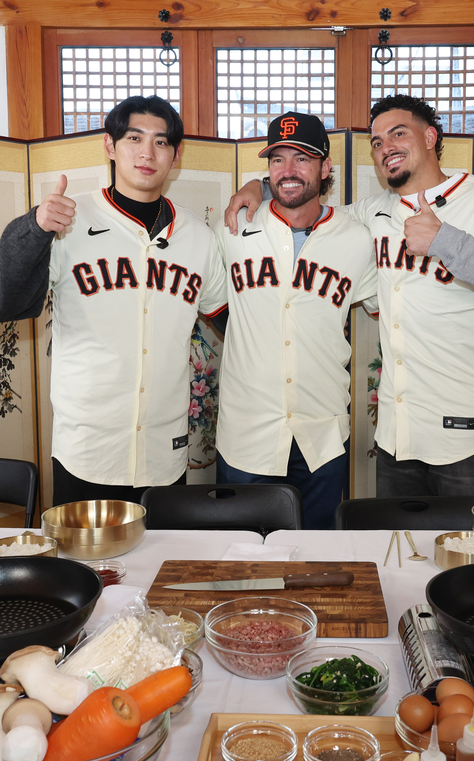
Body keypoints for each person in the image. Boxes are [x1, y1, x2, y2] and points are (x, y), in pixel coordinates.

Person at [225, 94, 474, 499]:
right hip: (397, 435)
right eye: (377, 142)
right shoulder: (371, 214)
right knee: (398, 555)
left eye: (399, 133)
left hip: (468, 435)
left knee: (468, 556)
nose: (386, 147)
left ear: (431, 136)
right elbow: (305, 205)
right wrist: (259, 186)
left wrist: (445, 240)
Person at [0, 95, 225, 506]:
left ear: (176, 155)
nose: (147, 152)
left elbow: (232, 317)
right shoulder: (65, 221)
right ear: (110, 147)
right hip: (88, 451)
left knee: (162, 567)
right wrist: (33, 229)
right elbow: (2, 303)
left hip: (165, 452)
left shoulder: (198, 236)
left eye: (162, 142)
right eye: (134, 138)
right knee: (85, 568)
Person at [207, 112, 377, 529]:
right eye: (277, 159)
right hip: (248, 432)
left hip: (320, 434)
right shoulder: (232, 228)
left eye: (302, 158)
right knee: (243, 559)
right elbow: (214, 307)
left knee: (315, 557)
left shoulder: (356, 237)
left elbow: (389, 310)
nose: (288, 170)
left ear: (325, 167)